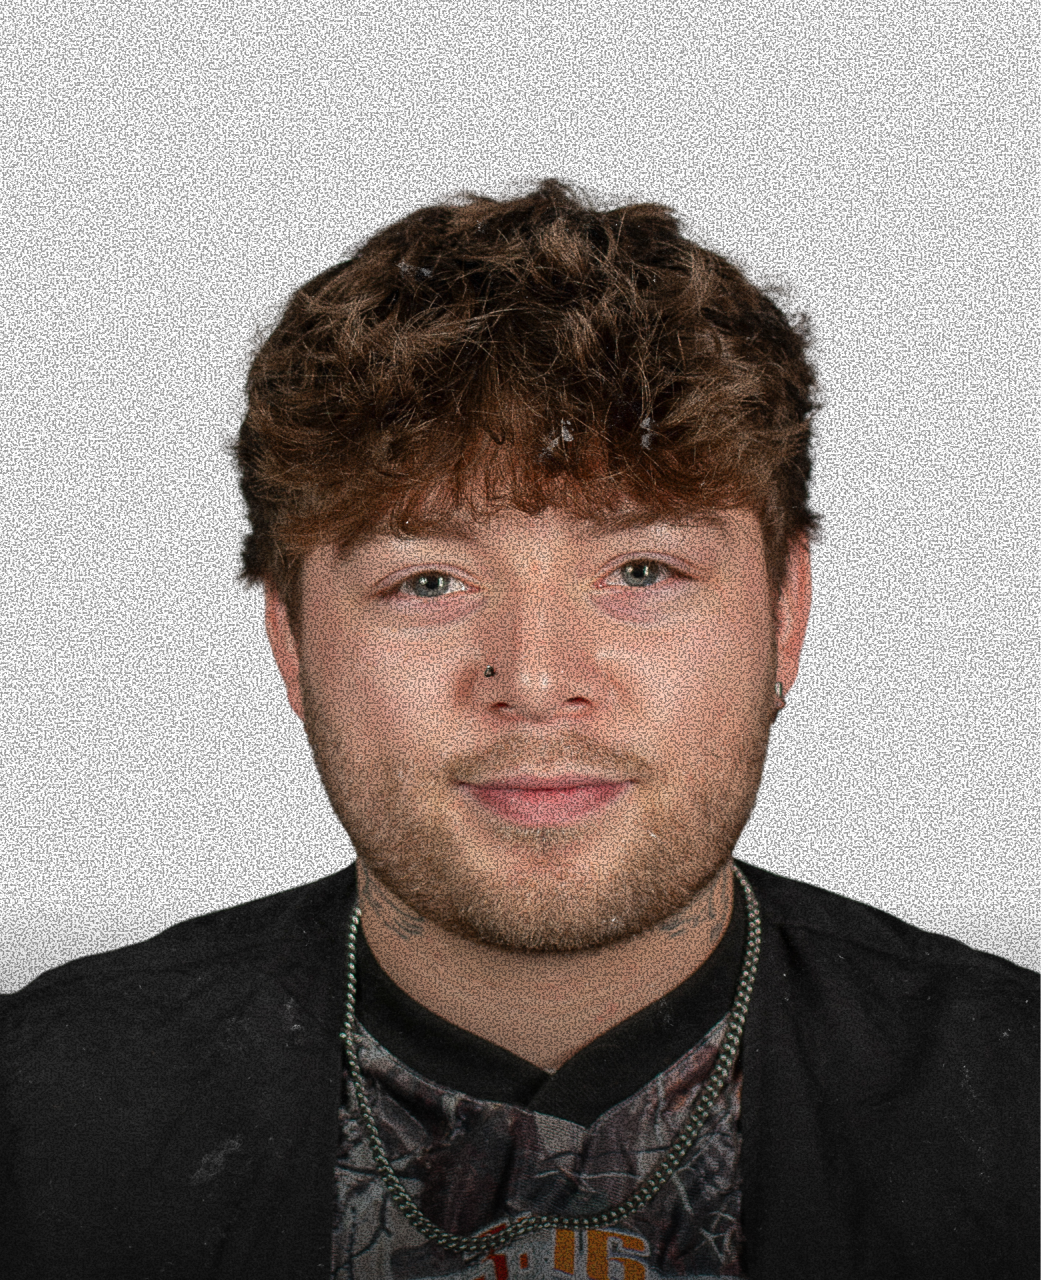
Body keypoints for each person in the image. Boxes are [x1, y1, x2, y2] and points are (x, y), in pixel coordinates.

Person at [1, 178, 1038, 1280]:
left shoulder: (1015, 1106)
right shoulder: (36, 1120)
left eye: (642, 568)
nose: (536, 680)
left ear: (785, 617)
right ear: (293, 642)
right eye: (430, 579)